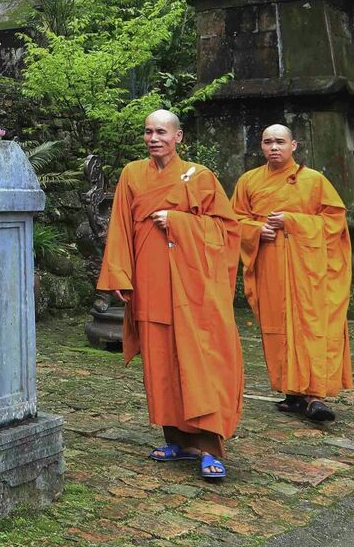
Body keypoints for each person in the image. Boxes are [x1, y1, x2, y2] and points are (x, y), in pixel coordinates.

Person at [95, 109, 245, 480]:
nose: (153, 138)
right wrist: (119, 272)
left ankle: (210, 447)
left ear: (178, 137)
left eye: (161, 132)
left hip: (193, 286)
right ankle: (176, 438)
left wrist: (178, 221)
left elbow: (226, 230)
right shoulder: (132, 173)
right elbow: (120, 225)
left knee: (199, 358)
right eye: (148, 132)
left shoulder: (200, 176)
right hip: (150, 280)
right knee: (160, 361)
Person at [231, 124, 353, 423]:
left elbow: (335, 222)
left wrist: (293, 222)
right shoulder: (249, 181)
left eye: (280, 142)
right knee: (278, 325)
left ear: (294, 145)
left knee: (312, 324)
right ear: (261, 146)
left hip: (310, 269)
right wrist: (258, 229)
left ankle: (315, 395)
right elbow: (232, 220)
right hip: (270, 266)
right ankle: (292, 391)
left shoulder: (314, 180)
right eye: (268, 142)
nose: (274, 147)